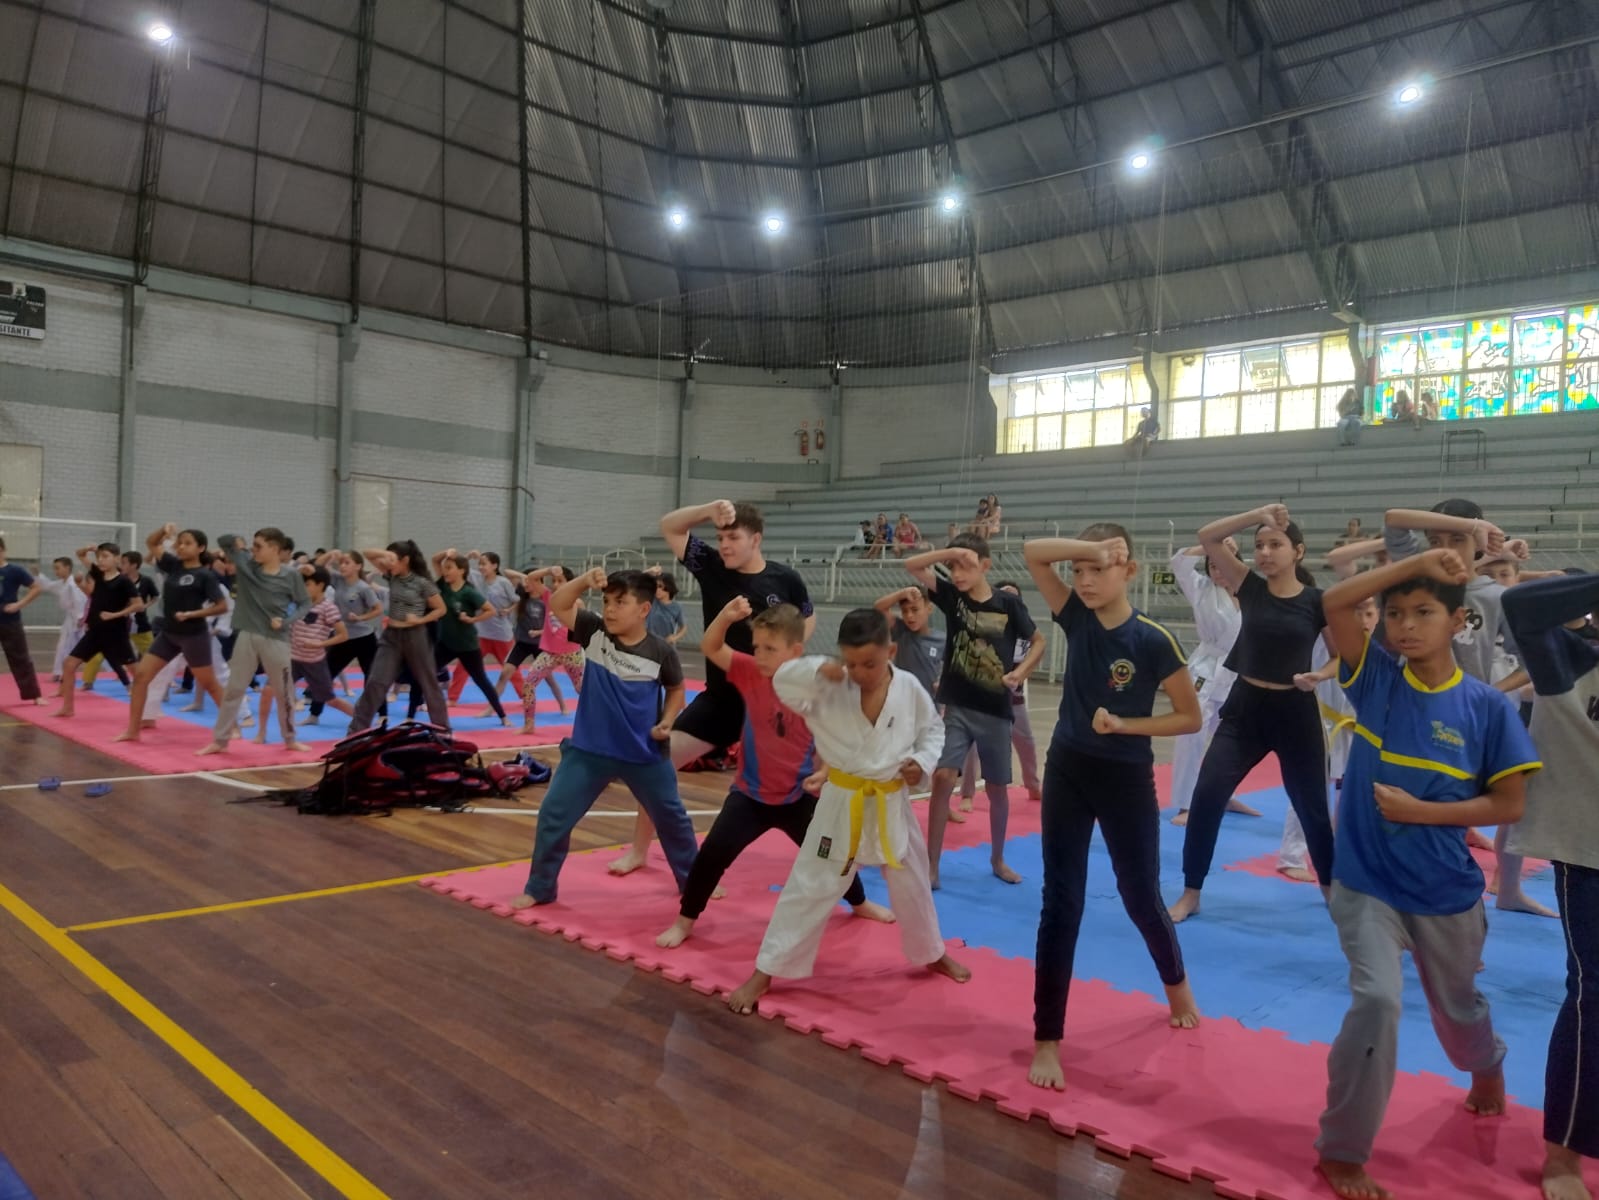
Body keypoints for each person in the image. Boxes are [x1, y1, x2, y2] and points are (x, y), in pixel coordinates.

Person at [1313, 548, 1540, 1200]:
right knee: (1376, 1002)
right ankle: (1342, 1151)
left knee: (1458, 1012)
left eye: (1422, 613)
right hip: (1364, 882)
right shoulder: (1377, 679)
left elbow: (1508, 805)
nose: (1405, 626)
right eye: (1393, 615)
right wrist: (1412, 563)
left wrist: (1421, 812)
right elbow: (1332, 604)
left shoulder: (1486, 709)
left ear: (1458, 622)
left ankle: (1484, 1066)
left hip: (1445, 893)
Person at [1022, 527, 1202, 1091]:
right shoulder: (1074, 617)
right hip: (1069, 769)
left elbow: (1189, 717)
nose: (1087, 581)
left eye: (1101, 569)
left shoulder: (1153, 639)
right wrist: (1085, 550)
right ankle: (1047, 1038)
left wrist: (1127, 725)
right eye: (1080, 571)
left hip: (1126, 778)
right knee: (1061, 902)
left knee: (1140, 896)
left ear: (1130, 571)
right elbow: (1032, 555)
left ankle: (1177, 985)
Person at [724, 607, 971, 1015]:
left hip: (891, 800)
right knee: (809, 886)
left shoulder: (909, 687)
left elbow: (933, 731)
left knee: (912, 884)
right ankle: (766, 970)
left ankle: (932, 952)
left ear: (891, 650)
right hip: (842, 802)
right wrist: (823, 669)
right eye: (851, 662)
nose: (859, 672)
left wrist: (921, 763)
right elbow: (783, 678)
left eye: (870, 663)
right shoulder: (825, 684)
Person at [655, 598, 893, 949]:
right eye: (756, 647)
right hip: (749, 795)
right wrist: (725, 615)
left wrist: (825, 770)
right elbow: (711, 647)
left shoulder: (816, 686)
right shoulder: (751, 671)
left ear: (795, 650)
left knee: (836, 856)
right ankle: (685, 920)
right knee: (710, 857)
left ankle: (859, 903)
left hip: (799, 796)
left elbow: (834, 734)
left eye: (770, 648)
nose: (760, 654)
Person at [611, 499, 813, 877]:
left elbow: (807, 618)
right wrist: (708, 511)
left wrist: (787, 664)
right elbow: (670, 526)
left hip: (771, 702)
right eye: (720, 537)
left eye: (732, 537)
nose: (724, 545)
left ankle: (839, 855)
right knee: (657, 761)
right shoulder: (712, 568)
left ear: (756, 538)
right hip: (722, 699)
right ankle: (639, 849)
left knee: (812, 781)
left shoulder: (785, 579)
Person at [1383, 500, 1552, 918]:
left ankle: (1502, 891)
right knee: (1415, 821)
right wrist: (1470, 524)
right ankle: (1421, 915)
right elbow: (1393, 519)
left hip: (1468, 721)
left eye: (1457, 540)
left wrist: (1492, 691)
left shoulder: (1495, 597)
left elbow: (1532, 658)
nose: (1446, 548)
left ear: (1477, 545)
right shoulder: (1419, 579)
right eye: (1436, 540)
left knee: (1483, 809)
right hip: (1413, 715)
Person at [1169, 505, 1333, 923]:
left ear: (1298, 551)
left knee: (1312, 807)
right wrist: (1259, 514)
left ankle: (1333, 890)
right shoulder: (1250, 587)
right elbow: (1207, 536)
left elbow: (1342, 657)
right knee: (1206, 797)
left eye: (1275, 544)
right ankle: (1192, 891)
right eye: (1259, 545)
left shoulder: (1318, 602)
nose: (1264, 552)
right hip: (1245, 709)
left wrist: (1320, 674)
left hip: (1295, 712)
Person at [511, 569, 698, 907]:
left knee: (673, 820)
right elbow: (561, 604)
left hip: (645, 755)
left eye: (620, 602)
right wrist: (584, 580)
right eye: (606, 601)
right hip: (589, 751)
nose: (610, 609)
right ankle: (539, 888)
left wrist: (669, 719)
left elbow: (676, 689)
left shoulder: (660, 652)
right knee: (554, 814)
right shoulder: (594, 632)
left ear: (643, 609)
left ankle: (694, 885)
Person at [1502, 572, 1599, 1200]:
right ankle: (1564, 1154)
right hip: (1586, 850)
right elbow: (1520, 604)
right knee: (1593, 994)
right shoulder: (1568, 659)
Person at [904, 534, 1043, 886]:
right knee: (942, 777)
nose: (958, 573)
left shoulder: (1008, 605)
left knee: (997, 787)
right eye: (953, 567)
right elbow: (912, 565)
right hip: (959, 708)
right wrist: (951, 551)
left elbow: (1039, 641)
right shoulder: (953, 598)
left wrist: (1021, 672)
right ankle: (932, 864)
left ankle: (997, 858)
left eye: (965, 565)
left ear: (985, 565)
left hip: (996, 709)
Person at [1167, 542, 1258, 825]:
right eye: (1213, 566)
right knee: (1192, 734)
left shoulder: (1252, 593)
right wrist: (1208, 546)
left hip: (1237, 674)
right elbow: (1178, 562)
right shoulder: (1201, 588)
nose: (1218, 573)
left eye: (1223, 565)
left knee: (1232, 741)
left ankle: (1223, 795)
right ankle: (1185, 804)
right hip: (1205, 670)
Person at [194, 530, 309, 753]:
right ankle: (220, 740)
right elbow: (223, 540)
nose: (254, 550)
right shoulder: (247, 565)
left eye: (259, 546)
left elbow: (304, 604)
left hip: (277, 640)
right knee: (234, 690)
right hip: (246, 636)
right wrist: (239, 543)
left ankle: (290, 738)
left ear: (274, 549)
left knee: (285, 692)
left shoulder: (290, 575)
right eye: (253, 546)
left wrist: (286, 621)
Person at [117, 525, 229, 743]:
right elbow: (151, 543)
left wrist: (193, 614)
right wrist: (163, 530)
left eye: (188, 543)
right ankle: (132, 730)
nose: (181, 547)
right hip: (169, 634)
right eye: (180, 542)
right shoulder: (173, 565)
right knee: (141, 677)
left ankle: (230, 725)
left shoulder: (205, 575)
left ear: (201, 548)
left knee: (210, 684)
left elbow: (222, 606)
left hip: (194, 635)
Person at [343, 540, 448, 737]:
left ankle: (443, 731)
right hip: (391, 636)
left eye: (394, 559)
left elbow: (441, 609)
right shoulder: (392, 575)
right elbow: (366, 552)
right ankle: (355, 732)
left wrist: (420, 619)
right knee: (376, 682)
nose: (388, 563)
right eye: (388, 559)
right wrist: (386, 554)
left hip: (415, 636)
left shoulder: (422, 583)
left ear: (406, 560)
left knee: (428, 682)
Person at [959, 580, 1043, 810]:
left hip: (1013, 700)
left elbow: (1035, 656)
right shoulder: (985, 627)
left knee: (1026, 743)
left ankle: (1033, 785)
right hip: (983, 701)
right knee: (973, 748)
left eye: (1015, 598)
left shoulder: (1027, 632)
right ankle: (967, 794)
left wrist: (1021, 674)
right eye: (1006, 597)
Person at [409, 550, 506, 726]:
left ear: (461, 571)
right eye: (444, 568)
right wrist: (447, 552)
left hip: (468, 646)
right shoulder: (443, 586)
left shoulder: (469, 592)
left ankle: (502, 716)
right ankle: (411, 715)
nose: (445, 571)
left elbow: (490, 610)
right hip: (445, 644)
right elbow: (434, 559)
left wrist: (473, 619)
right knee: (422, 673)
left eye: (450, 568)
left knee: (481, 680)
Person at [257, 565, 351, 738]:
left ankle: (362, 720)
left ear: (320, 585)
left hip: (314, 661)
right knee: (268, 691)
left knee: (331, 700)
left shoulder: (328, 608)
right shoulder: (297, 605)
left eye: (307, 584)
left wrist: (320, 643)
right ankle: (261, 732)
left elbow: (343, 635)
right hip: (290, 659)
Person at [53, 543, 143, 719]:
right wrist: (89, 550)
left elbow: (138, 605)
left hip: (116, 634)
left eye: (106, 556)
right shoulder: (98, 574)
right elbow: (79, 553)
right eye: (100, 557)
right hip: (95, 632)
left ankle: (147, 709)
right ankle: (68, 707)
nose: (101, 560)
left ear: (117, 558)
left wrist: (115, 614)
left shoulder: (124, 581)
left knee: (137, 673)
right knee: (69, 664)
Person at [307, 551, 382, 724]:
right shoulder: (337, 580)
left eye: (347, 563)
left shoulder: (364, 587)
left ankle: (380, 714)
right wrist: (330, 556)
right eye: (341, 563)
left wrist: (361, 618)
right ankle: (314, 715)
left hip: (365, 638)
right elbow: (316, 567)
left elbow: (377, 609)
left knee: (372, 677)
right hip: (344, 637)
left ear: (358, 566)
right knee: (324, 675)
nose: (342, 566)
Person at [488, 565, 568, 718]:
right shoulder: (522, 595)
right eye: (525, 581)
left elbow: (554, 624)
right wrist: (525, 577)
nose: (526, 584)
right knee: (504, 674)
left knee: (549, 678)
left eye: (530, 581)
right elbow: (507, 571)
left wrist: (538, 632)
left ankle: (563, 705)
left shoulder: (547, 599)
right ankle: (491, 708)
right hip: (522, 643)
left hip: (540, 645)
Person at [515, 565, 585, 734]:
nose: (555, 584)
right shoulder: (548, 597)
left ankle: (595, 723)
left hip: (572, 653)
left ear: (570, 583)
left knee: (582, 689)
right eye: (553, 581)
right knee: (529, 684)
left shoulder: (577, 602)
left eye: (560, 581)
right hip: (550, 653)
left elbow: (584, 626)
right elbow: (531, 577)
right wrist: (548, 571)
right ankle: (529, 724)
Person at [446, 551, 516, 705]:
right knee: (463, 666)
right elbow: (460, 569)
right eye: (480, 564)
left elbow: (516, 601)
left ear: (495, 566)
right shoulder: (476, 577)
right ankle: (452, 698)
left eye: (485, 564)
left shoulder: (503, 582)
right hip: (481, 633)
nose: (481, 567)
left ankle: (526, 697)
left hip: (501, 634)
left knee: (511, 669)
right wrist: (469, 557)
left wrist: (508, 610)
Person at [874, 584, 944, 700]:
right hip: (902, 701)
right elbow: (878, 609)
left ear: (929, 609)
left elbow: (955, 668)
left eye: (915, 609)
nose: (909, 616)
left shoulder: (941, 639)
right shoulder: (900, 629)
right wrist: (902, 593)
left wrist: (943, 681)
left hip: (929, 703)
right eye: (905, 611)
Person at [0, 536, 43, 705]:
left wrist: (20, 604)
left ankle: (34, 695)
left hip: (10, 621)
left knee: (20, 658)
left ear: (3, 550)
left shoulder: (15, 570)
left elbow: (36, 587)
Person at [37, 555, 86, 683]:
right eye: (55, 568)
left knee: (81, 648)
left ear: (67, 567)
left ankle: (118, 667)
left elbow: (79, 602)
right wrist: (38, 575)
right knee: (63, 646)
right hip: (70, 619)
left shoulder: (73, 584)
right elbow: (48, 585)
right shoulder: (62, 583)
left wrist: (81, 619)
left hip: (79, 619)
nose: (56, 571)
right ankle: (60, 672)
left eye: (58, 568)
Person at [644, 569, 686, 644]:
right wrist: (650, 571)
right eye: (656, 586)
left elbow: (683, 627)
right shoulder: (652, 601)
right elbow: (637, 581)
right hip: (649, 645)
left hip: (666, 646)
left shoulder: (677, 607)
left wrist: (675, 637)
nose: (657, 589)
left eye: (660, 586)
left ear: (668, 587)